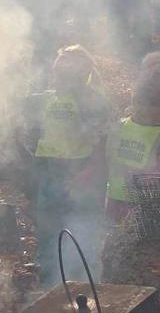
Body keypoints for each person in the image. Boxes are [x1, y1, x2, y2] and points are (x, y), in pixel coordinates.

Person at [22, 45, 111, 286]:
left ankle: (88, 293)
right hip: (50, 180)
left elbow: (103, 145)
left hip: (81, 182)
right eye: (55, 73)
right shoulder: (46, 100)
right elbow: (33, 137)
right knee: (49, 241)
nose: (55, 79)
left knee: (83, 242)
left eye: (62, 75)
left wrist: (89, 172)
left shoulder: (95, 103)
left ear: (80, 78)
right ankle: (50, 295)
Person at [106, 55, 160, 226]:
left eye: (152, 105)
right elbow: (106, 158)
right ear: (134, 100)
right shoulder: (119, 127)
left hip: (144, 204)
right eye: (140, 103)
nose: (145, 109)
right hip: (114, 199)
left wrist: (139, 177)